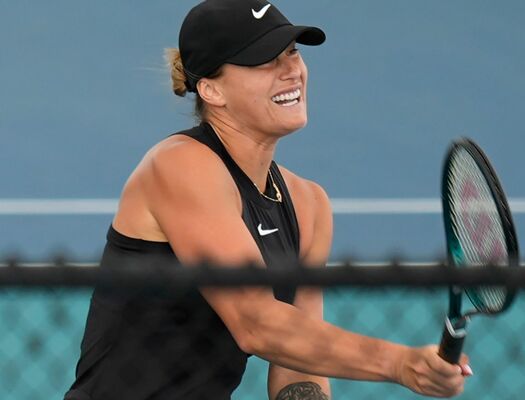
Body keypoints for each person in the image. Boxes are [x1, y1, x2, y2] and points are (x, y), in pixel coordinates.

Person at [65, 1, 471, 399]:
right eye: (264, 60)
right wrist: (398, 363)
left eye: (292, 52)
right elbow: (255, 322)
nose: (291, 69)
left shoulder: (309, 206)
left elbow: (297, 366)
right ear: (211, 89)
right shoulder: (180, 167)